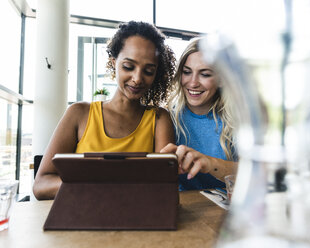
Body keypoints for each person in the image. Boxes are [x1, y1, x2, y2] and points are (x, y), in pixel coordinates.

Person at [33, 21, 176, 200]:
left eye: (148, 71)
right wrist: (99, 187)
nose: (137, 79)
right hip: (81, 217)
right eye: (128, 67)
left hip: (136, 218)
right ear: (113, 62)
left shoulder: (159, 118)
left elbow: (164, 186)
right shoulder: (79, 114)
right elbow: (41, 184)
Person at [160, 38, 237, 190]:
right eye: (187, 72)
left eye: (205, 74)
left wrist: (210, 163)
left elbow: (255, 173)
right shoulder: (167, 118)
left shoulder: (235, 119)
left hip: (223, 209)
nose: (193, 82)